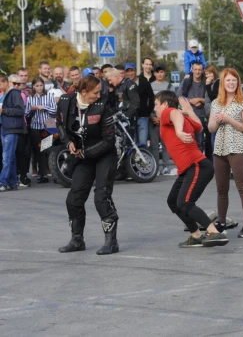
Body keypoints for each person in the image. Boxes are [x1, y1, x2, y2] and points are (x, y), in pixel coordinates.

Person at [153, 90, 229, 247]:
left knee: (185, 203)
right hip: (189, 168)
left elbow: (174, 113)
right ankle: (196, 235)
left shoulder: (169, 112)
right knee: (173, 202)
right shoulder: (182, 117)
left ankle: (214, 232)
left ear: (165, 104)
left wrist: (179, 132)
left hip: (197, 165)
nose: (155, 108)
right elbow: (199, 127)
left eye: (156, 104)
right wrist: (189, 111)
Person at [56, 76, 120, 255]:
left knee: (101, 197)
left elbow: (109, 140)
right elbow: (60, 123)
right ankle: (77, 240)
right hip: (82, 157)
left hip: (104, 155)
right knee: (74, 199)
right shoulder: (65, 101)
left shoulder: (103, 106)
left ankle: (111, 242)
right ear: (83, 92)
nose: (99, 96)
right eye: (95, 92)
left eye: (100, 92)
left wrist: (85, 152)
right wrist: (68, 141)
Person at [208, 68, 243, 238]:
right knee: (221, 188)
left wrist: (229, 119)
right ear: (222, 83)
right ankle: (221, 222)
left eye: (234, 80)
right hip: (220, 147)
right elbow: (211, 127)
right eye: (228, 80)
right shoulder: (216, 103)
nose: (231, 83)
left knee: (242, 186)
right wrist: (215, 122)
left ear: (238, 83)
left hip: (237, 147)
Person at [25, 76, 56, 184]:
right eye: (37, 86)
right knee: (39, 150)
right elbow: (26, 114)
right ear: (33, 87)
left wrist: (44, 107)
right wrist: (32, 110)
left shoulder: (49, 96)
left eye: (41, 85)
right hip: (35, 126)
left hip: (48, 125)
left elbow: (54, 110)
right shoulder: (30, 98)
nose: (39, 88)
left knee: (47, 149)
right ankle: (42, 174)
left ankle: (53, 173)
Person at [0, 74, 26, 192]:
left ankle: (3, 182)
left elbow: (20, 110)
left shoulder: (14, 93)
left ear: (6, 82)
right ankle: (12, 182)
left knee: (6, 157)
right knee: (10, 157)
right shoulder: (5, 94)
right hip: (6, 128)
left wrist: (4, 110)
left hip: (12, 128)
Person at [150, 64, 175, 175]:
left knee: (166, 144)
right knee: (154, 145)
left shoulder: (169, 86)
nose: (159, 74)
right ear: (154, 73)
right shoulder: (150, 86)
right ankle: (155, 167)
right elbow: (148, 104)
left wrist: (164, 118)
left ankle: (166, 166)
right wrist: (152, 116)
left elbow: (172, 104)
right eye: (157, 72)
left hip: (166, 120)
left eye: (161, 72)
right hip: (152, 120)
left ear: (164, 73)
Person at [178, 61, 208, 153]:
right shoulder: (186, 81)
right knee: (188, 141)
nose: (197, 72)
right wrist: (192, 101)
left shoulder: (206, 82)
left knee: (199, 142)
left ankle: (199, 164)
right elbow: (179, 97)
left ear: (203, 70)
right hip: (187, 116)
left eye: (199, 70)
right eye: (195, 69)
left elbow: (212, 99)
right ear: (192, 69)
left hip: (201, 115)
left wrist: (200, 100)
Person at [125, 62, 155, 147]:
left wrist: (148, 111)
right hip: (131, 118)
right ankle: (134, 160)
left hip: (143, 117)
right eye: (128, 71)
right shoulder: (125, 84)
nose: (130, 73)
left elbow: (151, 98)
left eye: (132, 70)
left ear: (136, 71)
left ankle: (144, 159)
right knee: (133, 144)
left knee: (142, 143)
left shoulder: (144, 82)